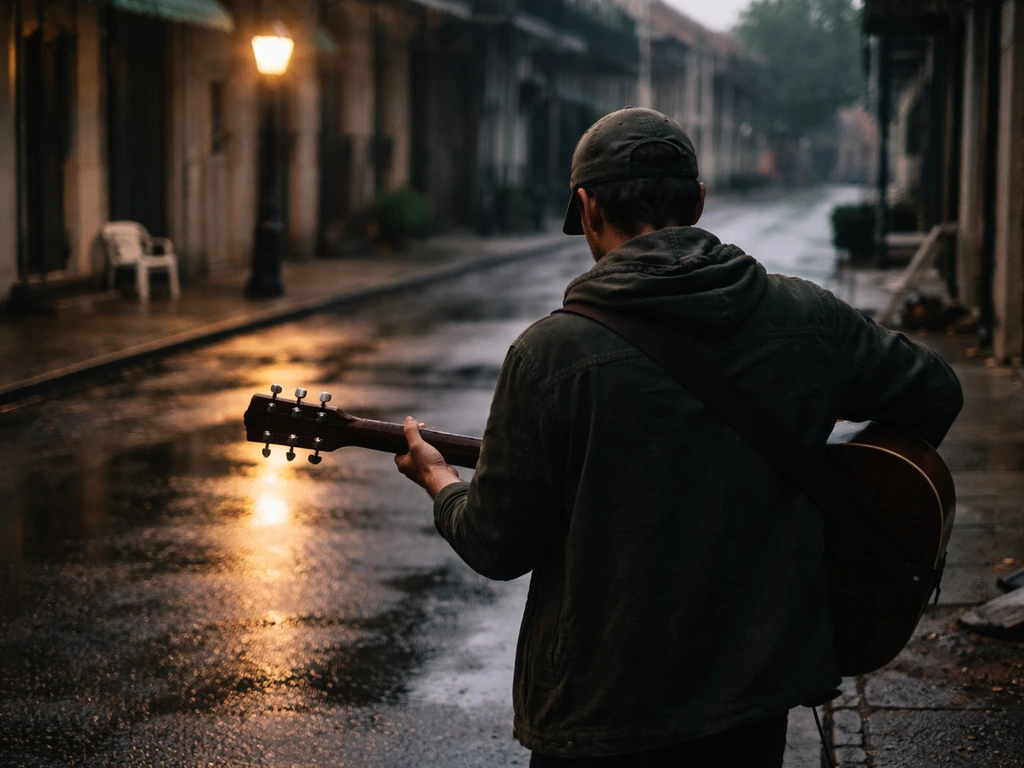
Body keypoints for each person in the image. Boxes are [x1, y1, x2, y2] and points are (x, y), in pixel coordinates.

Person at [394, 107, 963, 766]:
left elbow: (496, 543)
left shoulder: (550, 354)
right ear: (697, 200)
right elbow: (934, 393)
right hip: (752, 697)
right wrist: (836, 475)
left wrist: (440, 481)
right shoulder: (809, 319)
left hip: (601, 710)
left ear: (586, 208)